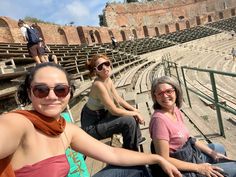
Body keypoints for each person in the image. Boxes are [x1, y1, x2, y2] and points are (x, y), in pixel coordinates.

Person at [0, 62, 182, 177]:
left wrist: (157, 158)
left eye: (60, 89)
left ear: (69, 93)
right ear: (30, 93)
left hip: (97, 123)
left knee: (139, 167)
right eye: (41, 90)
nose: (51, 96)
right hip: (93, 125)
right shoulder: (19, 123)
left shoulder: (66, 129)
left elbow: (112, 154)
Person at [149, 76, 236, 177]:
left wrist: (212, 153)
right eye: (160, 93)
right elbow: (164, 159)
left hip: (190, 153)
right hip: (181, 167)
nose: (165, 96)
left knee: (218, 148)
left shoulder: (175, 110)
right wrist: (199, 168)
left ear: (176, 91)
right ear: (155, 97)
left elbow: (188, 138)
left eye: (169, 91)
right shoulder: (159, 121)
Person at [81, 54, 146, 151]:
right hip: (92, 127)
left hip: (101, 117)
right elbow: (114, 110)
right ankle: (131, 151)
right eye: (100, 67)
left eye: (106, 64)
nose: (105, 68)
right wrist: (134, 113)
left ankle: (136, 139)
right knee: (129, 120)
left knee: (128, 111)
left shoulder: (108, 79)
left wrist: (134, 109)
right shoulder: (98, 85)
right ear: (95, 71)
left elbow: (118, 99)